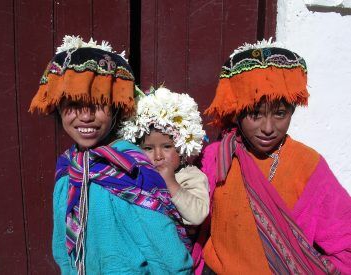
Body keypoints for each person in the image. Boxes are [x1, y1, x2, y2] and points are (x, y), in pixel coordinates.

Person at [29, 35, 193, 275]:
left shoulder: (132, 168)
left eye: (99, 104)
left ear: (116, 107)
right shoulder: (68, 169)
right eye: (74, 104)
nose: (86, 117)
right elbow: (62, 249)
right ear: (58, 107)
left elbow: (169, 257)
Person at [193, 39, 351, 274]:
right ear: (237, 113)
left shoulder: (307, 164)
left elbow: (343, 238)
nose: (268, 128)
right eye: (255, 114)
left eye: (280, 114)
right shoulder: (216, 157)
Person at [119, 87, 209, 227]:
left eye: (167, 147)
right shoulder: (136, 174)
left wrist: (171, 183)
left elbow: (197, 216)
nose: (158, 156)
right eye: (148, 148)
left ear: (181, 147)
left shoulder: (190, 176)